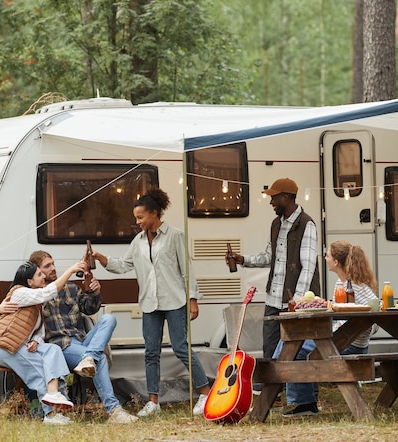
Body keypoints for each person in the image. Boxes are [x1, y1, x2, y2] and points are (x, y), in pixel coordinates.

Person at [92, 188, 211, 417]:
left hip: (175, 300)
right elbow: (122, 265)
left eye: (140, 217)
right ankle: (153, 401)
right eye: (136, 217)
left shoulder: (174, 235)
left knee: (180, 347)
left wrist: (193, 299)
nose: (137, 222)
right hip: (149, 303)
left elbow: (187, 269)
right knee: (151, 352)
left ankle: (205, 393)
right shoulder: (137, 242)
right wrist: (101, 258)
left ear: (154, 214)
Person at [0, 250, 137, 424]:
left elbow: (89, 308)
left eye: (53, 263)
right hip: (61, 346)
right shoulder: (35, 295)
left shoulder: (70, 288)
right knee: (98, 359)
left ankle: (89, 357)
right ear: (37, 272)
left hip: (81, 340)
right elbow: (5, 317)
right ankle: (114, 410)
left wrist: (94, 293)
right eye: (47, 266)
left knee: (109, 319)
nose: (53, 268)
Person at [278, 240, 378, 418]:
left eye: (328, 255)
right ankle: (303, 400)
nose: (325, 258)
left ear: (336, 262)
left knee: (293, 347)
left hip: (349, 345)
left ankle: (301, 401)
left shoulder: (353, 286)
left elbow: (372, 315)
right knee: (292, 345)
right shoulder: (343, 284)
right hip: (344, 341)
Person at [227, 178, 320, 359]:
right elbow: (269, 256)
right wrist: (242, 259)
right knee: (270, 351)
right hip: (273, 300)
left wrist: (297, 302)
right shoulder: (276, 224)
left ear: (286, 198)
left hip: (294, 303)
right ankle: (273, 388)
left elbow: (307, 268)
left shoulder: (306, 224)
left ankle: (300, 388)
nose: (271, 202)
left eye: (274, 198)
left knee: (296, 352)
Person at [0, 259, 87, 425]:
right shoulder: (19, 293)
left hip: (18, 345)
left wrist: (35, 340)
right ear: (29, 282)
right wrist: (71, 270)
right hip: (3, 347)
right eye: (39, 275)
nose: (43, 277)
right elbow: (47, 292)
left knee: (53, 350)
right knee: (41, 370)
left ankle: (54, 393)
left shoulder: (37, 306)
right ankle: (51, 415)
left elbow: (40, 332)